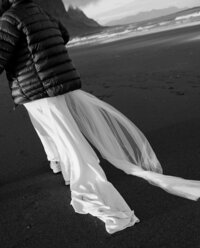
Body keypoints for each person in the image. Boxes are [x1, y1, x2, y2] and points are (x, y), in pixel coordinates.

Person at [0, 0, 200, 234]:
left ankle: (97, 194)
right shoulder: (39, 12)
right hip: (59, 80)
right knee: (56, 130)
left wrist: (27, 60)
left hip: (38, 88)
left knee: (65, 137)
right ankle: (59, 166)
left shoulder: (9, 20)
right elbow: (62, 35)